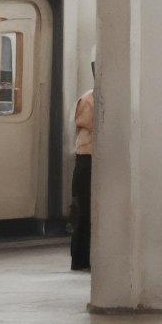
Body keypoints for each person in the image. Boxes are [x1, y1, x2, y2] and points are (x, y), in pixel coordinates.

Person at [70, 64, 94, 272]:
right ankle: (80, 258)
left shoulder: (89, 97)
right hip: (87, 158)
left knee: (86, 211)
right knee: (85, 211)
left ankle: (83, 257)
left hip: (89, 158)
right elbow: (89, 125)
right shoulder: (90, 99)